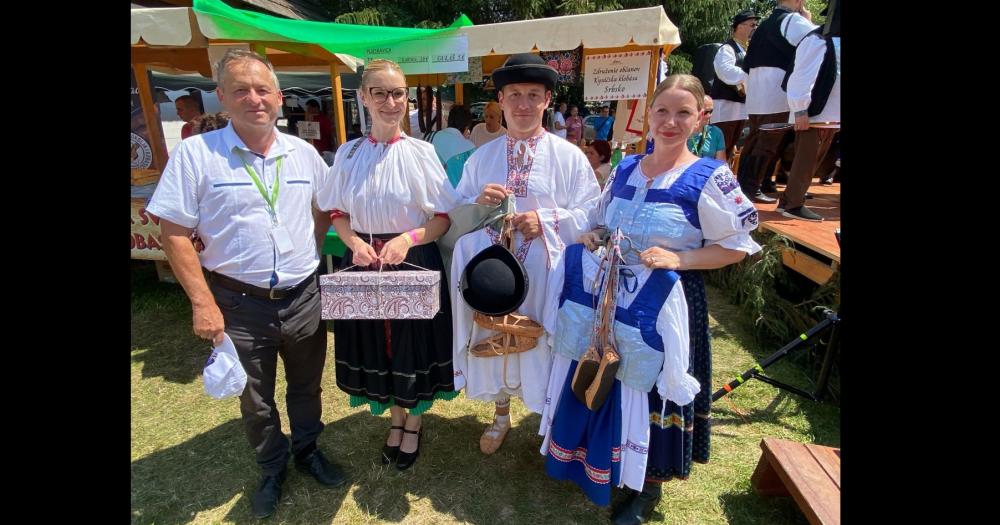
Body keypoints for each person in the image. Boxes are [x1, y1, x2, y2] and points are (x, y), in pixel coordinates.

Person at [146, 49, 346, 520]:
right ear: (223, 97)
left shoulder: (304, 153)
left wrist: (310, 254)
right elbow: (172, 231)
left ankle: (308, 450)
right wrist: (202, 303)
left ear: (279, 97)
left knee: (306, 385)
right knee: (255, 397)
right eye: (241, 90)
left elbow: (323, 209)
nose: (254, 98)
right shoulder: (198, 154)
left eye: (262, 90)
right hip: (238, 301)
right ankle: (272, 467)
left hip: (302, 296)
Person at [564, 75, 761, 524]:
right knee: (614, 373)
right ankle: (611, 459)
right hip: (614, 296)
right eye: (662, 111)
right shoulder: (625, 168)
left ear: (699, 120)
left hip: (668, 301)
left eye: (683, 113)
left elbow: (737, 245)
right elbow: (602, 221)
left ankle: (649, 484)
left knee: (654, 389)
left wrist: (682, 257)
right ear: (647, 115)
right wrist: (595, 234)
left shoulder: (711, 176)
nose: (670, 122)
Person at [450, 53, 601, 456]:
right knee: (493, 336)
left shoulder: (570, 157)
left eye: (532, 95)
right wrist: (478, 201)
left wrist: (549, 220)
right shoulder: (480, 157)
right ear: (500, 99)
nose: (522, 104)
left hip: (546, 269)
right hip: (493, 271)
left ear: (547, 100)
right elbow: (457, 210)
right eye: (514, 94)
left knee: (540, 340)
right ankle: (500, 416)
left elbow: (592, 213)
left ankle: (545, 416)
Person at [317, 58, 462, 471]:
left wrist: (406, 238)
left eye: (397, 93)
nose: (390, 101)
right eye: (379, 92)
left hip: (411, 261)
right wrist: (353, 243)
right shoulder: (348, 153)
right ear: (363, 97)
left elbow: (441, 218)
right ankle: (394, 420)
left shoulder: (421, 153)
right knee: (378, 347)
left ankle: (412, 424)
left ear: (407, 99)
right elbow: (337, 212)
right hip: (363, 261)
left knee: (411, 348)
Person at [736, 0, 817, 204]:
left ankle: (747, 187)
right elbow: (818, 41)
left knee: (755, 141)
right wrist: (808, 20)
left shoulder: (764, 24)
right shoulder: (793, 20)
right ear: (798, 1)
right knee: (767, 143)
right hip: (774, 91)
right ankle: (750, 189)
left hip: (757, 91)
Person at [776, 0, 840, 221]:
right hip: (814, 114)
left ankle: (790, 200)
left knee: (813, 161)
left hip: (830, 116)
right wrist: (800, 110)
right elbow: (801, 77)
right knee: (805, 160)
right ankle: (792, 204)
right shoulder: (817, 40)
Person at [710, 9, 758, 161]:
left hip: (740, 106)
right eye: (752, 25)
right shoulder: (727, 48)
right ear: (740, 26)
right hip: (725, 105)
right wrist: (750, 75)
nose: (754, 28)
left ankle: (723, 175)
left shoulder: (746, 49)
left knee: (731, 145)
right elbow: (725, 70)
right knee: (720, 144)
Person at [425, 104, 477, 187]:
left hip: (428, 194)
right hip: (456, 197)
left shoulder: (430, 136)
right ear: (466, 127)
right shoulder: (469, 148)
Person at [688, 95, 727, 160]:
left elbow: (721, 164)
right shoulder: (683, 132)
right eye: (705, 112)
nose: (709, 115)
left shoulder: (716, 133)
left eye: (711, 111)